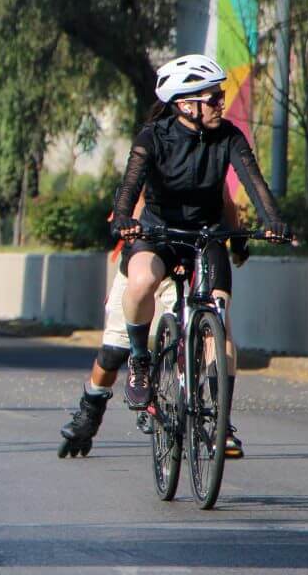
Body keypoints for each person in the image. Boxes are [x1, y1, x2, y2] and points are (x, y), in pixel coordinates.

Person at [111, 54, 291, 458]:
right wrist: (123, 219)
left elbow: (253, 182)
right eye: (212, 98)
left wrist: (273, 221)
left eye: (220, 96)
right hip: (157, 232)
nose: (220, 104)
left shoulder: (228, 137)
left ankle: (221, 423)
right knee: (141, 281)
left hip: (207, 235)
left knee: (219, 323)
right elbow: (129, 186)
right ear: (185, 104)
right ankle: (140, 360)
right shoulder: (152, 138)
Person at [58, 191, 248, 458]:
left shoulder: (205, 169)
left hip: (185, 258)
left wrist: (237, 241)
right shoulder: (151, 168)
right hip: (145, 257)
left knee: (193, 335)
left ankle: (189, 405)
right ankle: (89, 414)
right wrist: (137, 243)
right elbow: (134, 205)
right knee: (113, 351)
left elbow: (226, 202)